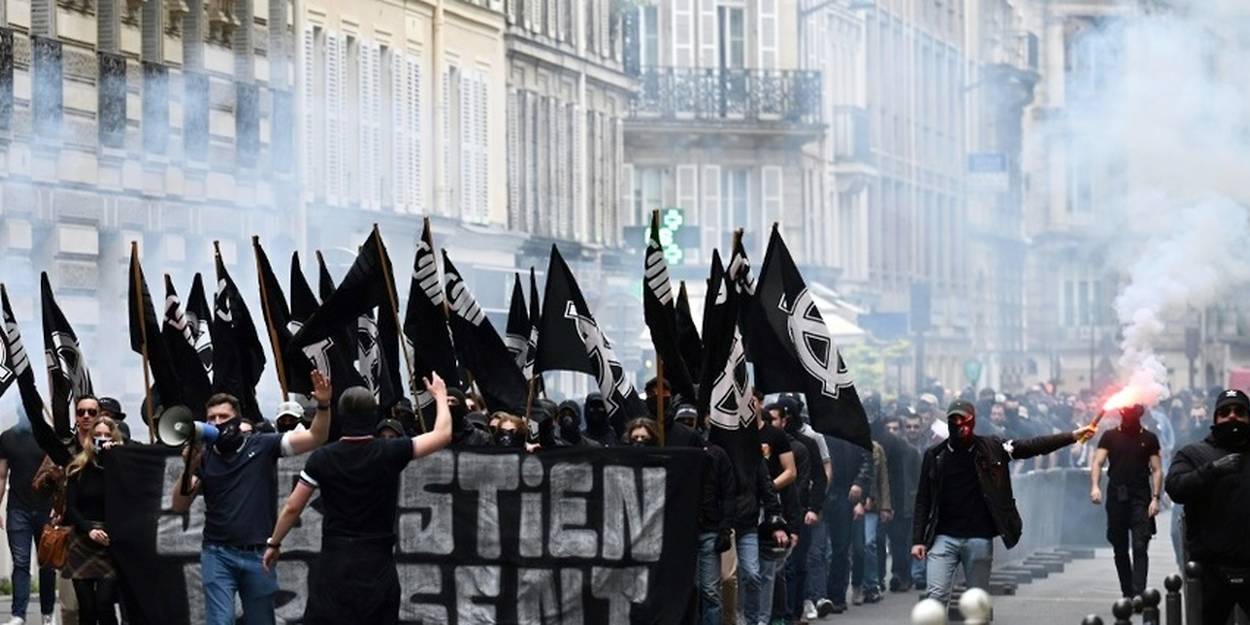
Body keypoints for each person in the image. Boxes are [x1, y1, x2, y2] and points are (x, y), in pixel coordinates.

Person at [263, 374, 453, 625]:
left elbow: (292, 507)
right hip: (378, 563)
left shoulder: (322, 458)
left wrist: (274, 543)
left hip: (335, 563)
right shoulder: (391, 451)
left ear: (341, 418)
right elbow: (442, 434)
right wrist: (439, 396)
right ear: (373, 416)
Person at [170, 371, 332, 625]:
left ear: (237, 419)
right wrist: (190, 466)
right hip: (217, 553)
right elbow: (179, 505)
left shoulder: (262, 445)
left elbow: (316, 437)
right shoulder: (205, 455)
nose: (216, 422)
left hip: (257, 554)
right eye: (211, 418)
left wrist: (323, 405)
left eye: (223, 417)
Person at [912, 400, 1094, 608]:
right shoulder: (935, 455)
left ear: (973, 421)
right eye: (955, 420)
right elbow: (923, 499)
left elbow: (1032, 446)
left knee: (976, 603)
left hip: (978, 537)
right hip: (943, 537)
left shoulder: (993, 448)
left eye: (965, 419)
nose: (960, 424)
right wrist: (918, 539)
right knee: (935, 599)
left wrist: (1071, 436)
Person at [1165, 389, 1250, 625]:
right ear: (1215, 419)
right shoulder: (1193, 453)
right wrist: (1212, 470)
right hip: (1211, 570)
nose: (1232, 417)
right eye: (1225, 412)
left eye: (1239, 412)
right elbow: (1175, 487)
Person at [1089, 404, 1162, 599]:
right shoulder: (1109, 436)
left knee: (1140, 545)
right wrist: (1095, 486)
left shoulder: (1149, 438)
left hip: (1140, 497)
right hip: (1117, 497)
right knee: (1120, 548)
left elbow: (1156, 469)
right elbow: (1097, 462)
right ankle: (1127, 592)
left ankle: (1138, 593)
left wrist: (1155, 498)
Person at [63, 417, 123, 625]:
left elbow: (128, 502)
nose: (102, 439)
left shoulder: (121, 467)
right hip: (82, 538)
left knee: (104, 603)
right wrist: (89, 530)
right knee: (86, 607)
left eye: (107, 435)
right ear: (89, 438)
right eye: (98, 435)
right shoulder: (77, 468)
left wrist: (115, 457)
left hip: (109, 540)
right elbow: (71, 508)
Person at [0, 412, 57, 625]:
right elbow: (1, 475)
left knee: (47, 564)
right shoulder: (7, 437)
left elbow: (60, 472)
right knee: (21, 563)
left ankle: (48, 613)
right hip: (18, 509)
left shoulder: (49, 436)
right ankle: (18, 614)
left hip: (47, 509)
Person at [696, 423, 736, 625]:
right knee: (691, 590)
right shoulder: (681, 453)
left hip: (711, 529)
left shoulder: (718, 455)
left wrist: (724, 528)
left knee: (710, 591)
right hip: (685, 531)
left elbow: (728, 493)